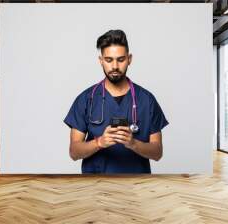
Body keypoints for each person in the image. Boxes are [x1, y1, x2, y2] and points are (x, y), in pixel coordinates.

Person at [64, 29, 169, 174]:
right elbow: (74, 152)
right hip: (96, 187)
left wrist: (133, 143)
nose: (114, 66)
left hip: (136, 187)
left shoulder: (147, 100)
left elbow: (157, 153)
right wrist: (99, 142)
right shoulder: (86, 99)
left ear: (129, 59)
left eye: (120, 59)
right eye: (108, 60)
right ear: (101, 61)